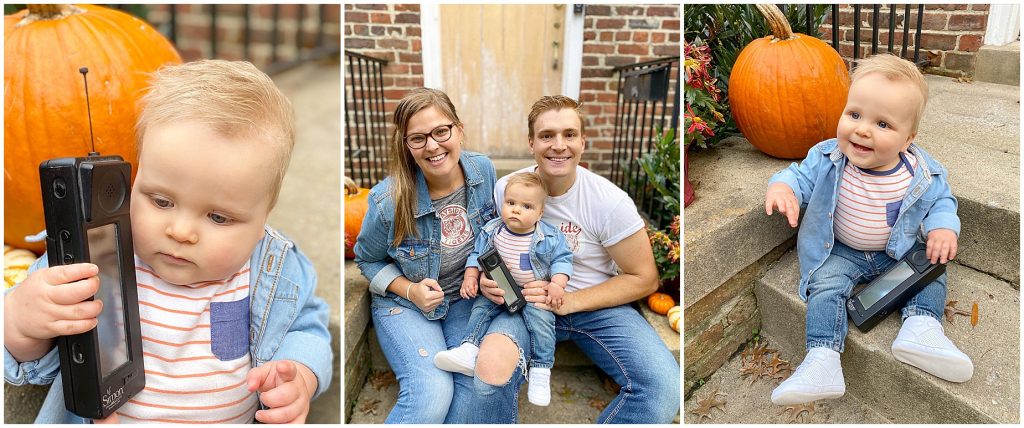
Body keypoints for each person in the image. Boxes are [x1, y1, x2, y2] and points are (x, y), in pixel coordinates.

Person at [3, 60, 332, 424]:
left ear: (262, 223)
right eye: (161, 201)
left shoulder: (271, 268)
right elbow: (36, 355)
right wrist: (20, 321)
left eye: (218, 217)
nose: (181, 231)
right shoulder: (93, 257)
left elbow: (307, 326)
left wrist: (300, 376)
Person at [765, 54, 972, 405]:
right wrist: (783, 187)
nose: (862, 129)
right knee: (826, 285)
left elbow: (942, 202)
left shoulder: (920, 172)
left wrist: (942, 230)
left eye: (883, 124)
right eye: (854, 114)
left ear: (908, 139)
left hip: (897, 249)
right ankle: (823, 359)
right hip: (841, 250)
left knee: (932, 266)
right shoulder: (829, 157)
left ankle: (921, 327)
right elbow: (798, 176)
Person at [482, 95, 680, 423]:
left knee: (663, 386)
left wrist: (571, 302)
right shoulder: (508, 188)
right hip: (524, 305)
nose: (559, 145)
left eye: (569, 134)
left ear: (583, 143)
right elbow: (495, 243)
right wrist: (492, 281)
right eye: (547, 135)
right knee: (491, 371)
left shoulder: (609, 202)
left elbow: (645, 278)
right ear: (531, 143)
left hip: (598, 308)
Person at [354, 88, 526, 423]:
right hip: (405, 306)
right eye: (418, 138)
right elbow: (367, 260)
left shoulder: (483, 171)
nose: (432, 146)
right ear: (406, 145)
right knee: (432, 392)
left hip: (465, 298)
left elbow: (492, 234)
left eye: (440, 132)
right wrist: (409, 289)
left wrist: (494, 277)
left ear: (458, 129)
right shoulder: (387, 201)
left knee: (476, 387)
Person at [433, 171, 573, 407]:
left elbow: (562, 259)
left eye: (526, 206)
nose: (516, 210)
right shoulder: (492, 230)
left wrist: (557, 284)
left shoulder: (548, 236)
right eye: (511, 203)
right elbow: (476, 254)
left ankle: (540, 369)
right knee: (480, 309)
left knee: (541, 322)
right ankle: (469, 348)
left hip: (533, 292)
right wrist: (471, 276)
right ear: (502, 204)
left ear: (540, 213)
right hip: (499, 288)